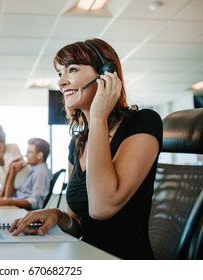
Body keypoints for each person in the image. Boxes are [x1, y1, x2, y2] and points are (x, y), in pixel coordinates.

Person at [9, 38, 163, 260]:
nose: (61, 82)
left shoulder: (143, 122)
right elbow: (80, 224)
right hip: (86, 257)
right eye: (59, 73)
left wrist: (98, 117)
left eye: (72, 69)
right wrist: (59, 216)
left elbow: (102, 207)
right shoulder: (77, 143)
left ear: (105, 74)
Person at [0, 138, 53, 210]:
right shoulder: (32, 172)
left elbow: (35, 203)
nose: (26, 155)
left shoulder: (42, 172)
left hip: (22, 213)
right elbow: (9, 196)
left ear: (39, 155)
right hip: (14, 209)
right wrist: (13, 172)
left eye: (29, 152)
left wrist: (7, 202)